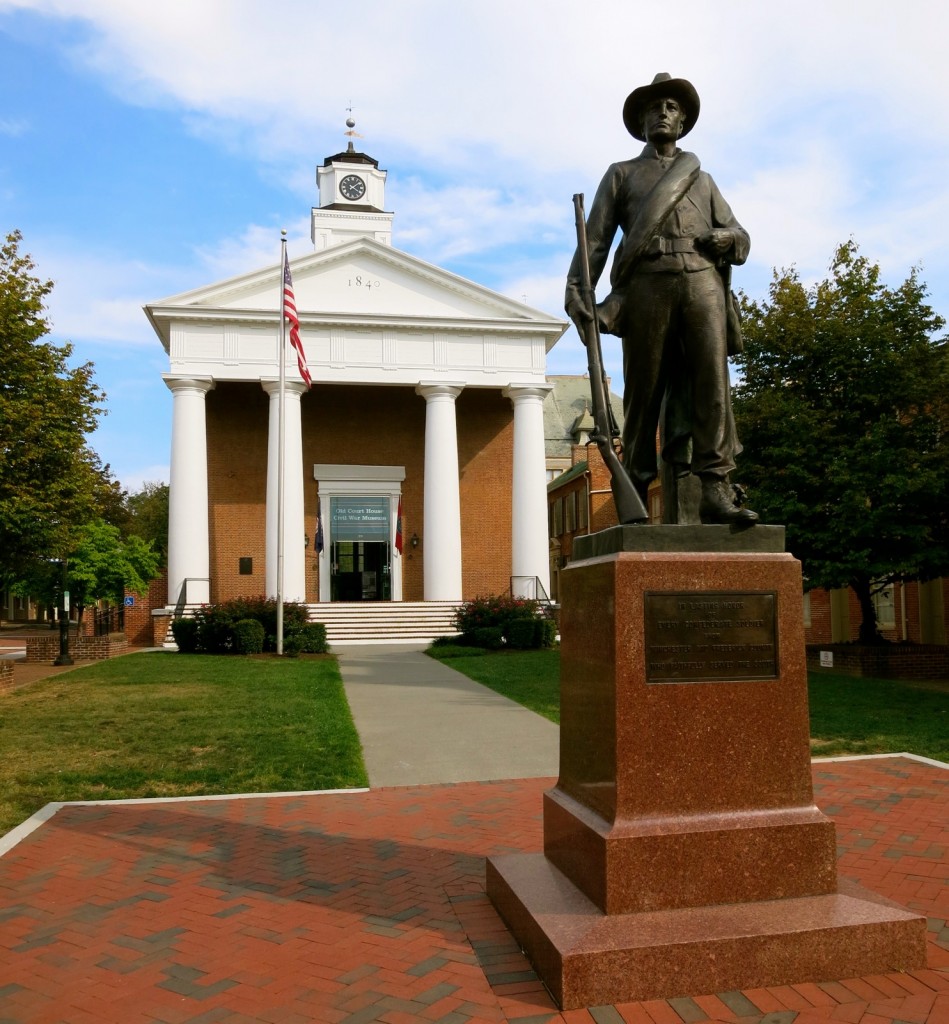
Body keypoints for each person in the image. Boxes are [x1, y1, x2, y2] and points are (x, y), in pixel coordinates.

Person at [566, 73, 757, 525]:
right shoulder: (622, 175)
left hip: (702, 281)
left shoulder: (702, 179)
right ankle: (633, 482)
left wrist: (727, 237)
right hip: (648, 284)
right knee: (643, 390)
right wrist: (578, 290)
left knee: (712, 386)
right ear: (642, 121)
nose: (662, 113)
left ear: (683, 119)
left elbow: (742, 235)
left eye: (671, 107)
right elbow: (594, 241)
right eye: (654, 108)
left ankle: (715, 487)